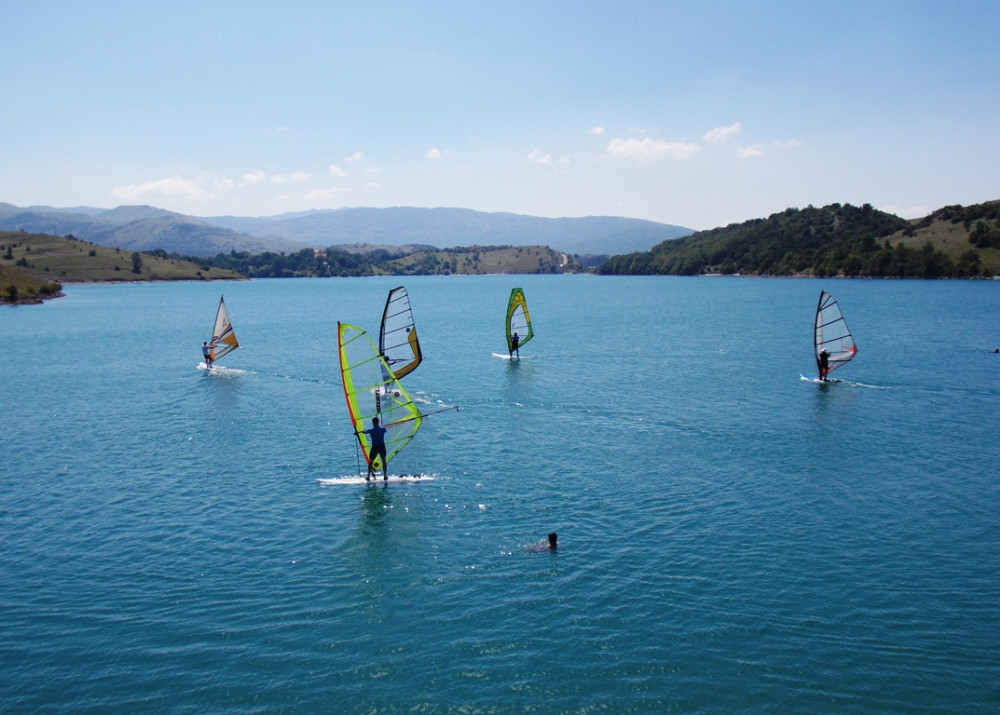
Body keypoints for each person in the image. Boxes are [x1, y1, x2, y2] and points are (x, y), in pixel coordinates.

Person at [361, 417, 388, 481]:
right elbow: (385, 429)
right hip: (381, 446)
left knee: (370, 462)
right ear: (378, 422)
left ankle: (368, 477)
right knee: (383, 461)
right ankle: (385, 476)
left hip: (375, 447)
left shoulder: (371, 430)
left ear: (373, 423)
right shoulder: (383, 429)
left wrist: (363, 431)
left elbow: (364, 432)